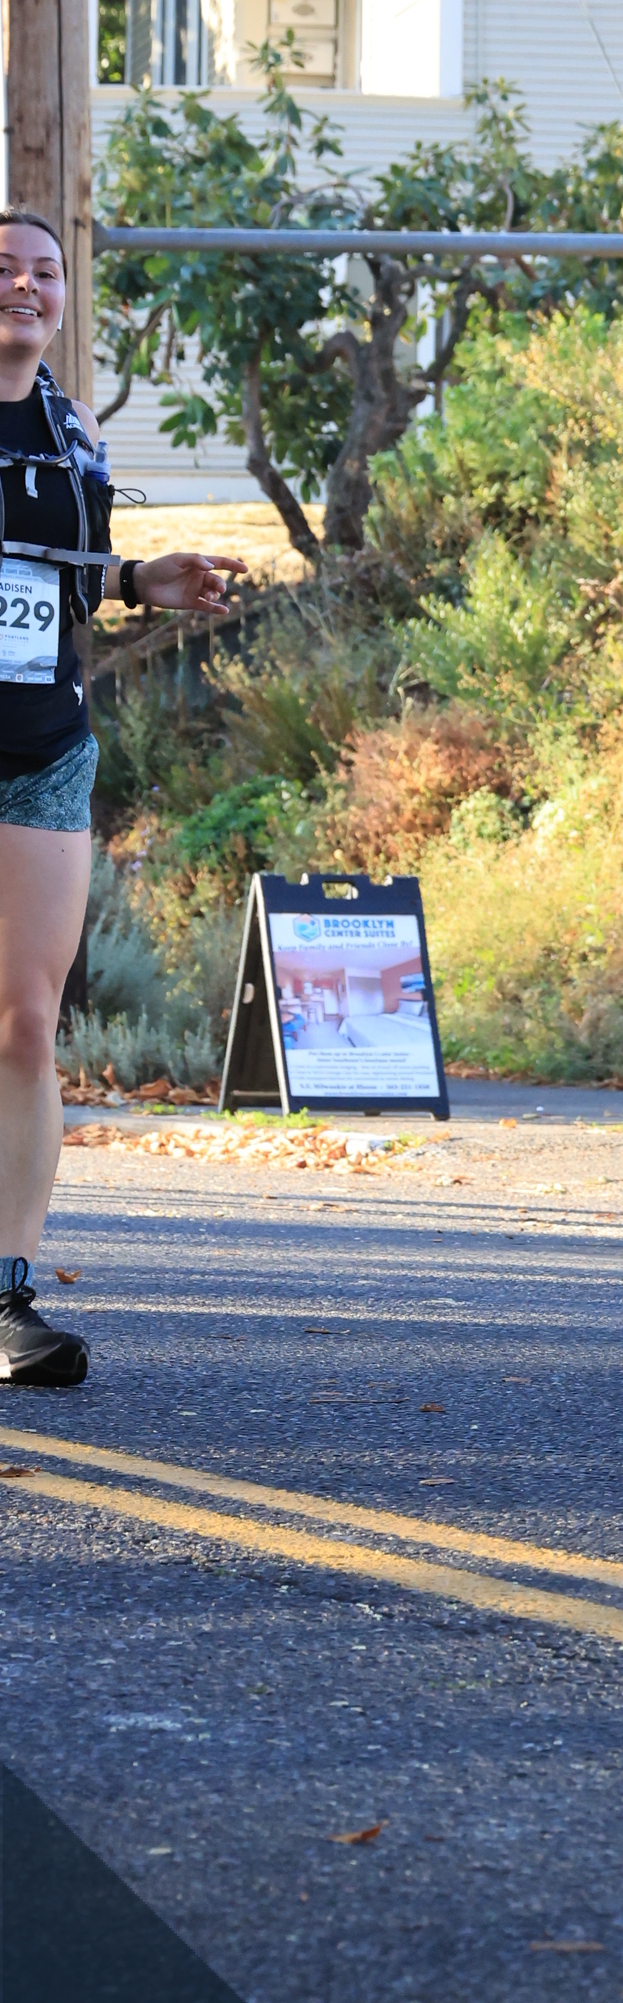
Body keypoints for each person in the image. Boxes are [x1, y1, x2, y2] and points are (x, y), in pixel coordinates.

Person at [0, 210, 244, 1388]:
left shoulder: (74, 428)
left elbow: (79, 578)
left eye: (44, 272)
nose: (25, 286)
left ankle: (7, 1297)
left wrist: (150, 578)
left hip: (43, 746)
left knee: (25, 1024)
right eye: (3, 269)